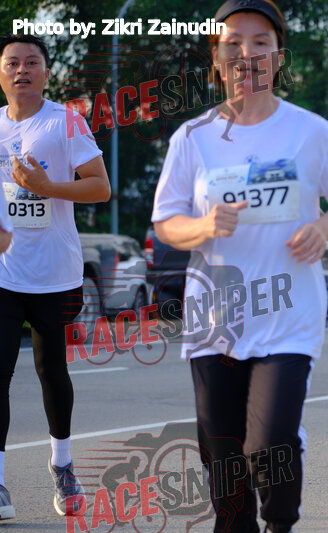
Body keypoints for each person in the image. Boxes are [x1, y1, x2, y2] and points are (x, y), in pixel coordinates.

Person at [151, 2, 328, 531]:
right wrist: (203, 226)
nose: (247, 53)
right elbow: (165, 223)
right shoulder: (193, 137)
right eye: (233, 43)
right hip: (215, 317)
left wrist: (322, 228)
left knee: (268, 444)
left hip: (287, 313)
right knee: (222, 453)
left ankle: (280, 520)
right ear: (217, 59)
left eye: (261, 42)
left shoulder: (310, 131)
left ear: (278, 57)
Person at [0, 34, 110, 518]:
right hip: (4, 271)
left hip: (54, 272)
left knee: (51, 370)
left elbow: (100, 188)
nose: (21, 70)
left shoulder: (66, 121)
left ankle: (62, 464)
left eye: (31, 62)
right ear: (0, 73)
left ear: (46, 72)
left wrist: (46, 186)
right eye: (12, 63)